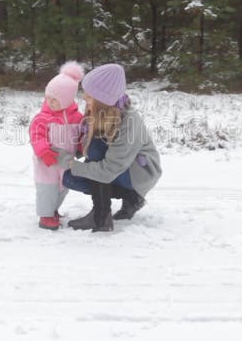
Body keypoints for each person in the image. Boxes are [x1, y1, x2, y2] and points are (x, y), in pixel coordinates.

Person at [57, 63, 162, 232]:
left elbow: (107, 170)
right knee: (70, 178)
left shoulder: (129, 121)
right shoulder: (99, 112)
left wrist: (72, 164)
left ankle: (101, 216)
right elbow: (84, 146)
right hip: (119, 169)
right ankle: (130, 199)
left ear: (102, 100)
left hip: (139, 173)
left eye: (89, 95)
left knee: (95, 150)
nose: (84, 98)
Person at [28, 61, 85, 230]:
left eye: (56, 99)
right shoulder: (42, 118)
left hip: (66, 161)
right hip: (46, 161)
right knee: (47, 188)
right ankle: (45, 216)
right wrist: (43, 151)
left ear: (68, 100)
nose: (51, 102)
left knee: (63, 186)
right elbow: (36, 136)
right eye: (49, 98)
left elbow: (80, 135)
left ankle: (53, 210)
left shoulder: (77, 118)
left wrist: (81, 147)